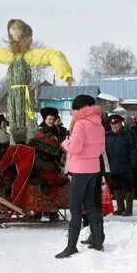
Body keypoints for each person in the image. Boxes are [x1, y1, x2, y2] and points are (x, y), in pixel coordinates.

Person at [55, 95, 105, 258]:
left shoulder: (80, 124)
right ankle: (98, 242)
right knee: (91, 205)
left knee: (75, 208)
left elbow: (75, 148)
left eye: (75, 108)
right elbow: (100, 150)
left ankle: (71, 246)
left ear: (81, 108)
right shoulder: (99, 124)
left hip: (79, 169)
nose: (74, 112)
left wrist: (65, 142)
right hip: (94, 168)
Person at [105, 114, 137, 216]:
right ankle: (120, 208)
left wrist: (132, 165)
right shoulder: (109, 136)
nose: (114, 126)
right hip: (113, 167)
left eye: (116, 124)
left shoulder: (129, 134)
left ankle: (128, 209)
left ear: (121, 123)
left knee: (127, 187)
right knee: (116, 187)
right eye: (112, 124)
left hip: (126, 166)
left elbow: (134, 151)